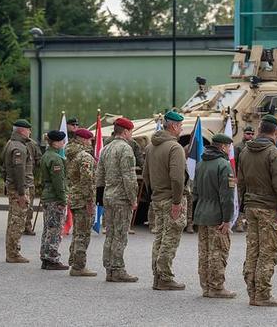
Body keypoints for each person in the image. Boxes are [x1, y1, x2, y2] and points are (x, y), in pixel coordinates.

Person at [237, 114, 277, 307]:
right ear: (276, 132)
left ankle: (252, 292)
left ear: (260, 129)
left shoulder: (244, 152)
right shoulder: (275, 154)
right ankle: (263, 295)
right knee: (268, 251)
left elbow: (240, 183)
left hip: (251, 207)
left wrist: (242, 207)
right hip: (268, 208)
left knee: (253, 249)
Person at [143, 110, 187, 291]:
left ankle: (157, 275)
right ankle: (165, 277)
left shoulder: (150, 147)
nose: (181, 129)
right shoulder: (174, 148)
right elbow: (177, 178)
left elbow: (145, 175)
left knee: (160, 238)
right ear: (174, 126)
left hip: (157, 198)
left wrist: (153, 194)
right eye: (180, 126)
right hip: (170, 199)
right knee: (170, 239)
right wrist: (177, 202)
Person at [193, 133, 236, 298]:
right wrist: (227, 219)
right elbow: (226, 197)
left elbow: (195, 192)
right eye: (229, 147)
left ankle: (206, 287)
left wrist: (196, 213)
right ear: (223, 147)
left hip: (202, 214)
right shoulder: (224, 165)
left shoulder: (201, 163)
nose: (230, 150)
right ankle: (217, 288)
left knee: (204, 252)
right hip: (217, 215)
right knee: (218, 252)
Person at [97, 117, 139, 282]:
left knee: (111, 234)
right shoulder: (125, 149)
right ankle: (118, 269)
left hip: (108, 196)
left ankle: (109, 268)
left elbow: (99, 175)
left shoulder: (106, 148)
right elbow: (129, 177)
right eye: (131, 132)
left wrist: (99, 197)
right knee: (120, 235)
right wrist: (133, 198)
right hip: (121, 197)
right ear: (126, 131)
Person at [66, 128, 97, 276]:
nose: (91, 142)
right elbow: (87, 181)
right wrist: (90, 201)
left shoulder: (70, 153)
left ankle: (73, 260)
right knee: (83, 234)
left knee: (78, 232)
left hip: (74, 196)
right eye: (90, 140)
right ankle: (79, 266)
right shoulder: (85, 157)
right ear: (84, 140)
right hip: (83, 199)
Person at [2, 119, 32, 263]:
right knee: (17, 222)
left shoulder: (11, 143)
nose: (29, 132)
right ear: (21, 130)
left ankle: (12, 251)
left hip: (14, 186)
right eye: (28, 130)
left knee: (14, 220)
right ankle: (13, 253)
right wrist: (21, 193)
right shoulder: (18, 147)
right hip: (19, 188)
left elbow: (4, 168)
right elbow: (19, 171)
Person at [39, 130, 69, 270]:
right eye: (62, 141)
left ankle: (45, 256)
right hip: (54, 197)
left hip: (47, 195)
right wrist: (63, 199)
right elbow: (58, 182)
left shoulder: (46, 155)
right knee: (55, 229)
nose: (64, 143)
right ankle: (52, 258)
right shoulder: (56, 158)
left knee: (48, 228)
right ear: (56, 142)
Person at [232, 125, 254, 232]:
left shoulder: (254, 147)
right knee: (239, 200)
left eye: (252, 134)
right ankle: (239, 222)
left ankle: (249, 222)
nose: (250, 136)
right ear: (244, 134)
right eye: (248, 134)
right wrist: (235, 176)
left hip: (251, 178)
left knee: (250, 200)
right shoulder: (238, 147)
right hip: (240, 178)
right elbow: (234, 163)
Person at [23, 136, 42, 236]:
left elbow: (39, 160)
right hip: (17, 181)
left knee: (29, 206)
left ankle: (27, 226)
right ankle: (17, 227)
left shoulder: (32, 144)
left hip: (29, 179)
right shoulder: (12, 143)